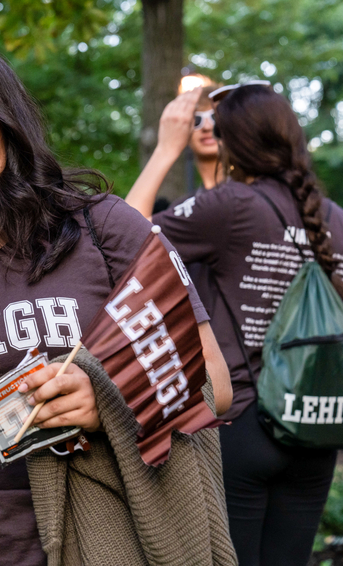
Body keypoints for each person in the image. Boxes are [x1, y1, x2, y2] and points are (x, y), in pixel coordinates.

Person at [0, 38, 233, 565]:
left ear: (7, 125)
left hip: (114, 547)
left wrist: (109, 399)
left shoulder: (102, 227)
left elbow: (214, 385)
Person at [126, 82, 343, 566]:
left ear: (232, 142)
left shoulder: (231, 206)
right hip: (317, 426)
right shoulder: (334, 218)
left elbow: (124, 233)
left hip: (242, 424)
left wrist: (166, 148)